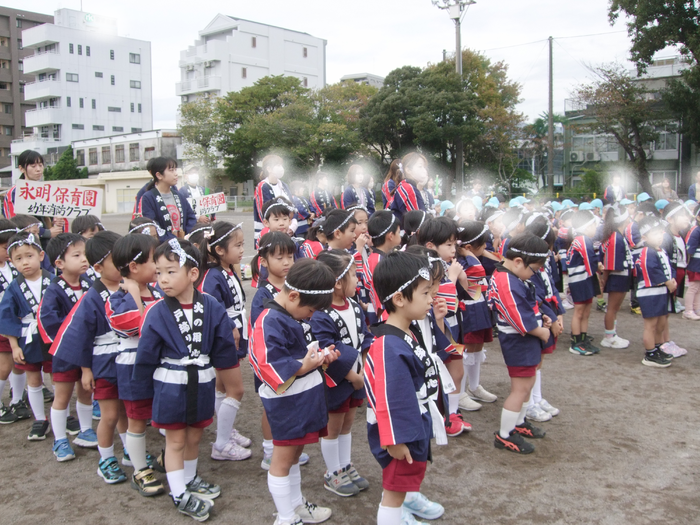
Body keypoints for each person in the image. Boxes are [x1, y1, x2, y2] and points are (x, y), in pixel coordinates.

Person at [135, 239, 237, 521]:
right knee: (176, 439)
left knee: (194, 435)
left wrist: (228, 376)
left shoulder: (212, 306)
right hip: (171, 383)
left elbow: (223, 345)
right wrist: (142, 392)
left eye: (171, 271)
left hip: (202, 379)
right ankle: (179, 493)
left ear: (193, 273)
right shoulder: (156, 311)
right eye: (159, 272)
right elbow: (146, 355)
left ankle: (190, 479)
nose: (163, 279)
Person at [249, 258, 338, 525]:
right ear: (293, 296)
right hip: (287, 403)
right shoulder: (268, 320)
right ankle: (285, 517)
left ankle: (296, 505)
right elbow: (267, 365)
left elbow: (301, 354)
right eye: (310, 311)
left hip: (304, 398)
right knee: (282, 460)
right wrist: (304, 365)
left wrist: (320, 357)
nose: (311, 316)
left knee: (295, 456)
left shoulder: (289, 314)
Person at [366, 251, 445, 525]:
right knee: (394, 492)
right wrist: (394, 440)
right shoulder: (388, 345)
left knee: (404, 485)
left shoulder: (405, 331)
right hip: (400, 432)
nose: (431, 299)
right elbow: (390, 399)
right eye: (425, 293)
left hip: (411, 423)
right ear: (399, 299)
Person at [50, 231, 127, 483]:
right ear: (98, 267)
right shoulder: (92, 296)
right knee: (109, 415)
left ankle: (130, 450)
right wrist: (85, 369)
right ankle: (106, 459)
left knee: (126, 411)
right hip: (104, 363)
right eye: (117, 261)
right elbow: (81, 335)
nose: (124, 265)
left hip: (126, 360)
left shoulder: (129, 287)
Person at [105, 234, 166, 496]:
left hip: (161, 364)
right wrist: (134, 294)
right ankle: (140, 470)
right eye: (154, 260)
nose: (159, 266)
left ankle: (166, 457)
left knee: (166, 413)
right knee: (137, 420)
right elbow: (140, 327)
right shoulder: (117, 298)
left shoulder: (158, 291)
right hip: (134, 366)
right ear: (133, 266)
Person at [312, 250, 373, 497]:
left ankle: (346, 465)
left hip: (358, 376)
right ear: (338, 283)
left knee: (347, 425)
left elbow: (365, 338)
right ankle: (333, 472)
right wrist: (353, 377)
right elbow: (326, 350)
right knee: (333, 427)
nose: (358, 280)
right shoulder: (321, 314)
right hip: (337, 380)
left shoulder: (355, 307)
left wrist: (365, 369)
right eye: (354, 275)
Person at [249, 233, 310, 471]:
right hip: (272, 359)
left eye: (290, 257)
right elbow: (261, 331)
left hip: (294, 358)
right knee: (271, 406)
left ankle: (286, 445)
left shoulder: (293, 288)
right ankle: (269, 450)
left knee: (289, 403)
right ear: (263, 261)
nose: (286, 262)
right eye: (279, 257)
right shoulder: (263, 294)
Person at [488, 233, 552, 454]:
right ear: (518, 262)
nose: (535, 274)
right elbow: (518, 318)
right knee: (520, 388)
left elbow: (525, 307)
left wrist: (541, 318)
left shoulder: (510, 276)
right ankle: (505, 434)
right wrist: (541, 331)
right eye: (534, 269)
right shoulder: (506, 280)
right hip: (519, 341)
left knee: (528, 383)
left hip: (525, 338)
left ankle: (519, 422)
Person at [38, 233, 95, 461]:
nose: (84, 259)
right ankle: (60, 439)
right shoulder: (54, 290)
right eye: (77, 255)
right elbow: (48, 320)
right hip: (65, 352)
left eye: (85, 254)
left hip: (87, 351)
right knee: (62, 396)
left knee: (86, 391)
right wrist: (73, 338)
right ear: (59, 263)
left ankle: (86, 430)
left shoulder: (90, 284)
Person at [198, 222, 252, 461]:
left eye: (242, 244)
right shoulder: (212, 275)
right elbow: (212, 306)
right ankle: (221, 444)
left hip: (232, 332)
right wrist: (230, 326)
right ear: (219, 250)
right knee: (236, 390)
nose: (242, 250)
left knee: (221, 387)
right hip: (224, 336)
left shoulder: (226, 270)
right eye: (237, 245)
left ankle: (226, 432)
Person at [0, 231, 54, 440]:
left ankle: (64, 414)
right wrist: (14, 346)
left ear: (41, 255)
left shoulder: (53, 281)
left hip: (51, 336)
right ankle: (40, 419)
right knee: (33, 379)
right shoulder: (14, 287)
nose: (25, 262)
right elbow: (7, 317)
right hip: (27, 337)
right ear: (11, 262)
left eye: (29, 256)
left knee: (57, 377)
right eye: (18, 258)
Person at [455, 221, 498, 413]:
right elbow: (474, 279)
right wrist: (469, 254)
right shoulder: (463, 262)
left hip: (480, 307)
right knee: (466, 349)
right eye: (483, 245)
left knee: (477, 347)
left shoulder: (475, 257)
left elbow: (499, 263)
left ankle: (474, 386)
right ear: (469, 247)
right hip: (468, 310)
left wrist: (478, 252)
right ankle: (460, 392)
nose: (486, 248)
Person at [0, 220, 30, 425]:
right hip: (3, 323)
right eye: (5, 248)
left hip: (18, 321)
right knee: (4, 365)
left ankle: (17, 400)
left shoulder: (12, 267)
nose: (9, 253)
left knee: (19, 363)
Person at [635, 218, 676, 368]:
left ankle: (657, 348)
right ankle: (650, 353)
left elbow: (669, 267)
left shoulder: (661, 250)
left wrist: (672, 279)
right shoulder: (647, 251)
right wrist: (667, 281)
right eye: (655, 234)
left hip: (660, 292)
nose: (659, 236)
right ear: (644, 237)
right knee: (651, 325)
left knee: (661, 323)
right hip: (649, 293)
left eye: (660, 233)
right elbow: (651, 269)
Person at [3, 150, 64, 243]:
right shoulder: (14, 193)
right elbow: (14, 224)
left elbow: (52, 219)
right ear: (21, 168)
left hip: (48, 244)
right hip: (26, 244)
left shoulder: (47, 192)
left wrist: (56, 221)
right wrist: (47, 233)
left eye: (40, 165)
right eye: (33, 166)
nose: (38, 169)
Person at [567, 211, 603, 356]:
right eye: (594, 225)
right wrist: (598, 267)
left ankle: (583, 337)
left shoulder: (583, 239)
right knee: (579, 311)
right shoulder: (582, 239)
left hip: (586, 278)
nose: (595, 228)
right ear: (587, 226)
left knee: (586, 310)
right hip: (580, 280)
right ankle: (576, 342)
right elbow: (589, 259)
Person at [136, 157, 197, 242]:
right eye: (171, 170)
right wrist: (174, 240)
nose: (176, 174)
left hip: (183, 243)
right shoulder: (148, 198)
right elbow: (153, 226)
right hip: (163, 246)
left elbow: (191, 217)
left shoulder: (179, 196)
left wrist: (187, 236)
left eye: (175, 170)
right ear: (159, 175)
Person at [599, 204, 633, 349]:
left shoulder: (617, 236)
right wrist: (603, 282)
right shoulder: (615, 238)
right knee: (612, 308)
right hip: (617, 277)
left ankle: (612, 334)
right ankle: (609, 337)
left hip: (621, 276)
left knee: (615, 308)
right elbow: (609, 265)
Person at [253, 155, 295, 241]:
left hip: (286, 230)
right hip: (268, 233)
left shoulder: (284, 185)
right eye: (278, 165)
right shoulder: (262, 186)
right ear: (269, 169)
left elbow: (292, 207)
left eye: (281, 165)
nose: (281, 168)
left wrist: (292, 224)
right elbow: (264, 213)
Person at [390, 153, 429, 225]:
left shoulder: (406, 186)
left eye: (424, 167)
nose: (424, 170)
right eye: (420, 166)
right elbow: (417, 221)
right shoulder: (408, 188)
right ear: (408, 170)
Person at [684, 204, 700, 318]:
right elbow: (689, 249)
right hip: (695, 265)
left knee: (698, 288)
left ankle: (697, 308)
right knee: (693, 288)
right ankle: (688, 310)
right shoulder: (696, 230)